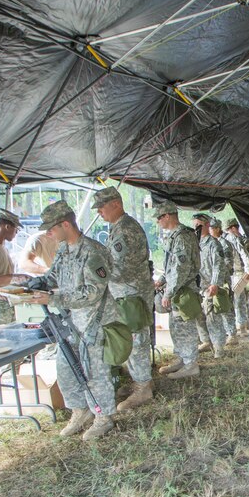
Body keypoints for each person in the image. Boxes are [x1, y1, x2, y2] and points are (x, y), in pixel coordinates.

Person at [24, 201, 120, 440]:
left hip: (93, 322)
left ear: (66, 224)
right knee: (66, 368)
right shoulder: (65, 249)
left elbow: (92, 293)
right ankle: (80, 410)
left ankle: (103, 417)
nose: (49, 234)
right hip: (71, 321)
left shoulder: (93, 252)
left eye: (52, 228)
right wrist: (43, 283)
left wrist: (53, 298)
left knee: (95, 372)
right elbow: (55, 273)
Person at [92, 186, 155, 411]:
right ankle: (140, 380)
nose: (99, 212)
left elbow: (119, 270)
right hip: (127, 293)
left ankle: (143, 387)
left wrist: (96, 273)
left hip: (132, 294)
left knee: (137, 341)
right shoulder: (118, 227)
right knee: (132, 338)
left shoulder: (125, 229)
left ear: (116, 204)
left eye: (102, 207)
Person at [152, 201, 201, 378]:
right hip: (178, 289)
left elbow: (181, 269)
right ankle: (182, 358)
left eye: (159, 218)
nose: (158, 222)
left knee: (185, 327)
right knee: (176, 326)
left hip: (183, 290)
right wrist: (162, 280)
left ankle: (190, 364)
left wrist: (169, 291)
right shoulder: (174, 236)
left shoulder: (183, 236)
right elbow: (172, 266)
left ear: (167, 216)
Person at [193, 213, 237, 357]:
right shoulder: (194, 243)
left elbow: (218, 265)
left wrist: (215, 283)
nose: (195, 227)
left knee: (213, 318)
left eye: (198, 224)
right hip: (198, 287)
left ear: (206, 225)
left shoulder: (213, 244)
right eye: (194, 224)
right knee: (199, 316)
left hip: (211, 286)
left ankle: (218, 347)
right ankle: (206, 341)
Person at [221, 218, 249, 335]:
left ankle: (242, 327)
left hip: (238, 274)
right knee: (244, 299)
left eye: (228, 229)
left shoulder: (233, 239)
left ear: (233, 228)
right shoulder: (243, 239)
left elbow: (245, 255)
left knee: (240, 300)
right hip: (242, 273)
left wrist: (248, 270)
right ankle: (245, 322)